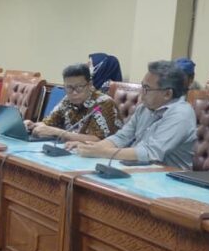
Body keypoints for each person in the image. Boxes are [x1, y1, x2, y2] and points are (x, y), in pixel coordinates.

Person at [67, 60, 196, 170]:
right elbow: (122, 137)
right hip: (139, 170)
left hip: (169, 179)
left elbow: (150, 153)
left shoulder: (181, 114)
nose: (141, 92)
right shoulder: (145, 108)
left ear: (167, 94)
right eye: (142, 86)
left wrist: (101, 152)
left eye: (147, 88)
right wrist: (92, 147)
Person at [25, 63, 122, 142]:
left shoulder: (103, 103)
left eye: (79, 87)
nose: (74, 93)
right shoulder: (67, 99)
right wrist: (33, 125)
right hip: (72, 149)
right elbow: (50, 123)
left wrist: (59, 133)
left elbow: (98, 140)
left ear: (89, 85)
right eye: (69, 87)